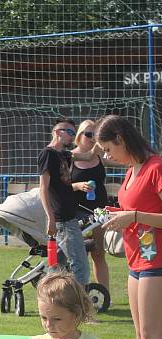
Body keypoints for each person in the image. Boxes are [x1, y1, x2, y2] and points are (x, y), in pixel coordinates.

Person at [97, 115, 162, 339]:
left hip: (156, 264)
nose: (107, 157)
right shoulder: (131, 172)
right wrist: (117, 216)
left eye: (109, 149)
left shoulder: (156, 167)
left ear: (122, 138)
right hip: (137, 263)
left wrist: (133, 215)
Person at [38, 117, 93, 286]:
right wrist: (51, 219)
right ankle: (79, 304)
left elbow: (90, 156)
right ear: (56, 132)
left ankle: (55, 299)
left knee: (57, 268)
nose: (71, 136)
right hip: (62, 219)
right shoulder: (48, 154)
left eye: (73, 133)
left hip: (69, 216)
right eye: (68, 132)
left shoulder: (64, 155)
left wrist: (95, 137)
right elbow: (43, 189)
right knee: (81, 266)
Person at [71, 119, 113, 293]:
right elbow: (58, 187)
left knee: (98, 253)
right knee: (80, 255)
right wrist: (78, 185)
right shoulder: (70, 156)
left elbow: (127, 161)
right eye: (88, 134)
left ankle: (103, 295)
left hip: (99, 211)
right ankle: (78, 294)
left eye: (94, 135)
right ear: (79, 136)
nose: (91, 138)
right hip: (76, 211)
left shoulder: (100, 156)